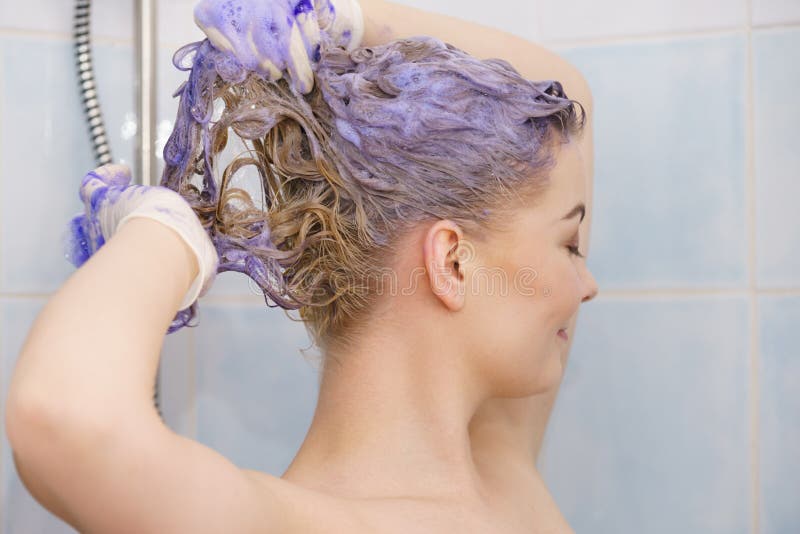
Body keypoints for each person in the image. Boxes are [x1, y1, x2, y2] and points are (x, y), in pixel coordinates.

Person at [5, 0, 598, 532]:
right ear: (453, 263)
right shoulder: (290, 522)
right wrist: (167, 230)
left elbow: (569, 96)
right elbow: (59, 420)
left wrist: (347, 21)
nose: (588, 284)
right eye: (569, 246)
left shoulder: (505, 470)